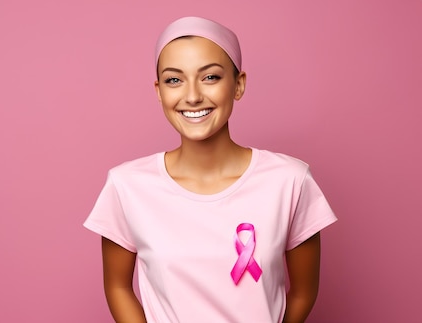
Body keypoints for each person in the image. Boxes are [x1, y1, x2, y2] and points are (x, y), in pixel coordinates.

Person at [83, 16, 337, 323]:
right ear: (159, 91)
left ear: (238, 84)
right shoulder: (127, 187)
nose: (192, 96)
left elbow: (303, 292)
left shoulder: (290, 181)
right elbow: (118, 286)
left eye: (210, 77)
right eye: (174, 80)